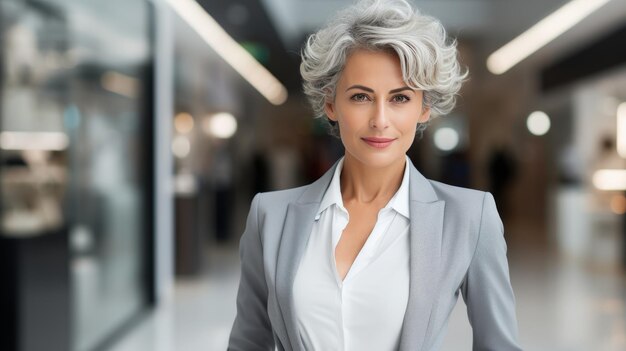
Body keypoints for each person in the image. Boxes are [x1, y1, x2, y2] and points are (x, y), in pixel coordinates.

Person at [228, 0, 522, 350]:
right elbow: (248, 343)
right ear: (331, 103)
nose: (380, 120)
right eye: (361, 97)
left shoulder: (469, 217)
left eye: (399, 98)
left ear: (424, 107)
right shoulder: (269, 216)